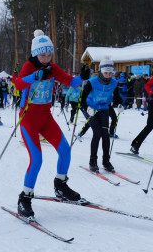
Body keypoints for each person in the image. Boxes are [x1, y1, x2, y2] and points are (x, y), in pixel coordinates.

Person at [13, 30, 87, 218]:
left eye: (49, 55)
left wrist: (83, 76)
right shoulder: (29, 67)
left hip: (46, 118)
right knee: (37, 158)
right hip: (28, 120)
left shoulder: (53, 68)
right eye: (42, 55)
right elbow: (19, 84)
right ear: (35, 54)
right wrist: (36, 76)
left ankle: (60, 185)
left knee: (65, 150)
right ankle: (24, 198)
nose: (46, 59)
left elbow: (71, 82)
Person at [80, 57, 123, 172]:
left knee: (105, 134)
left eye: (110, 73)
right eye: (106, 73)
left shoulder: (114, 83)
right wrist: (88, 109)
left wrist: (120, 104)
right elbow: (82, 99)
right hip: (91, 108)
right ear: (101, 71)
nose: (108, 75)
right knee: (97, 132)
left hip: (104, 108)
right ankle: (92, 161)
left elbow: (117, 97)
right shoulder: (92, 82)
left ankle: (106, 161)